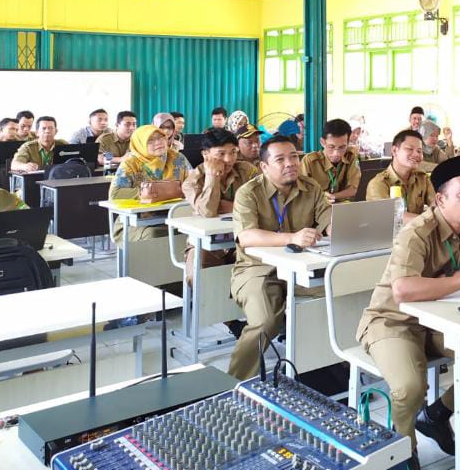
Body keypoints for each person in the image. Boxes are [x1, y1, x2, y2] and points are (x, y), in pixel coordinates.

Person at [357, 156, 460, 464]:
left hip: (441, 320)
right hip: (394, 321)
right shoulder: (417, 232)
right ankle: (402, 452)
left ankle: (437, 413)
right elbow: (402, 289)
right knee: (410, 388)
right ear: (440, 199)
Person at [228, 135, 330, 379]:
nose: (290, 163)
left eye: (294, 156)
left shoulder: (311, 187)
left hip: (300, 268)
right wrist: (291, 237)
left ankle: (321, 371)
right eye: (281, 159)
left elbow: (328, 220)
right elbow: (246, 236)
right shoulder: (249, 192)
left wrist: (343, 226)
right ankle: (234, 384)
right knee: (265, 321)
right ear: (264, 166)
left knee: (338, 300)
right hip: (256, 269)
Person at [181, 128, 258, 284]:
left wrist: (225, 205)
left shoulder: (247, 171)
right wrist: (211, 176)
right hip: (204, 244)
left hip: (242, 240)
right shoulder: (192, 180)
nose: (229, 159)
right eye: (221, 154)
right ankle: (201, 307)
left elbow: (261, 205)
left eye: (233, 152)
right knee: (199, 277)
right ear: (205, 155)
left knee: (262, 270)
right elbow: (208, 211)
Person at [108, 124, 192, 242]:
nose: (158, 142)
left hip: (174, 216)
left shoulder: (177, 158)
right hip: (135, 222)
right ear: (140, 144)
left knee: (191, 231)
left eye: (161, 138)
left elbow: (193, 184)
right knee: (155, 234)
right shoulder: (131, 163)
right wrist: (152, 192)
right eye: (151, 140)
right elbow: (115, 194)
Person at [367, 130, 435, 220]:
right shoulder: (378, 184)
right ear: (394, 151)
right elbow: (394, 217)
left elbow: (436, 205)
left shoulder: (422, 178)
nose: (416, 154)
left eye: (419, 151)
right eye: (410, 149)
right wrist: (431, 221)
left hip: (416, 232)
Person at [302, 119, 361, 203]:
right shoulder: (309, 161)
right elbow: (303, 192)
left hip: (342, 208)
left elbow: (353, 189)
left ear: (348, 143)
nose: (336, 153)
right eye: (331, 147)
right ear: (322, 142)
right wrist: (321, 197)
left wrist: (332, 197)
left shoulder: (351, 157)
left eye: (342, 147)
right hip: (316, 208)